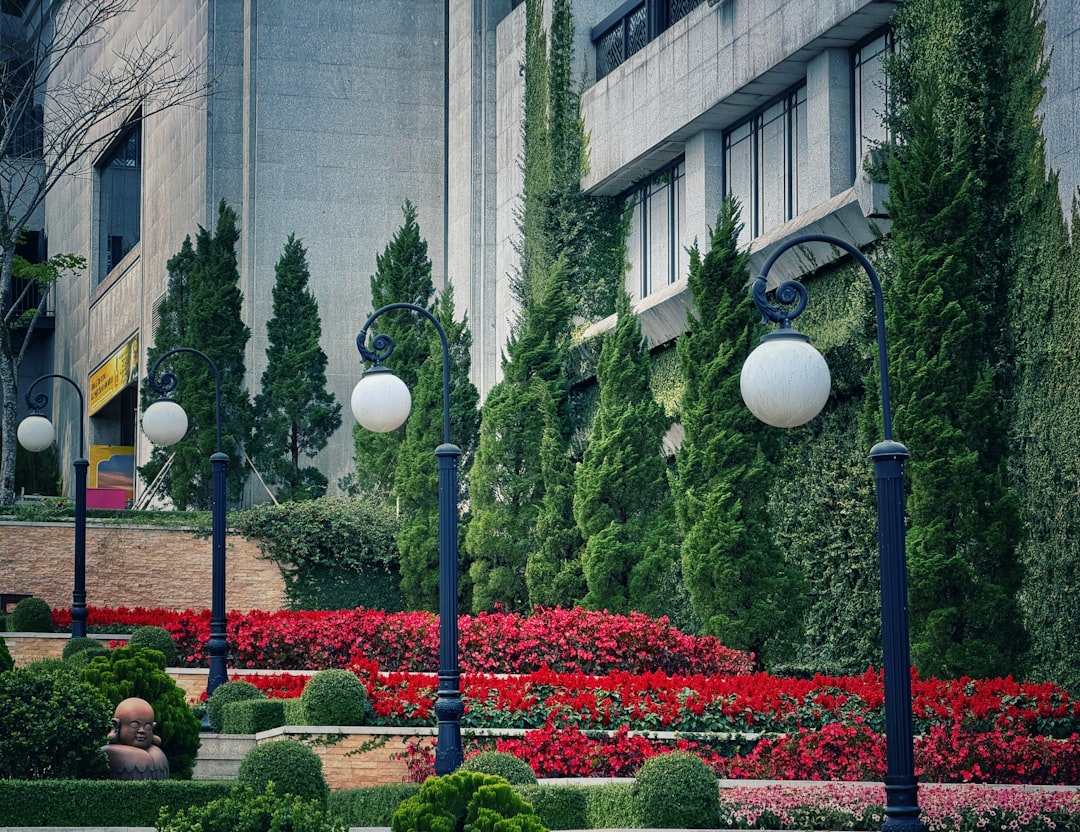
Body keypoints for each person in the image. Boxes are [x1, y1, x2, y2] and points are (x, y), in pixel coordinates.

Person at [102, 697, 170, 780]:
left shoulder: (157, 753)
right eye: (134, 725)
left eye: (147, 726)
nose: (142, 731)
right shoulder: (108, 753)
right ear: (117, 725)